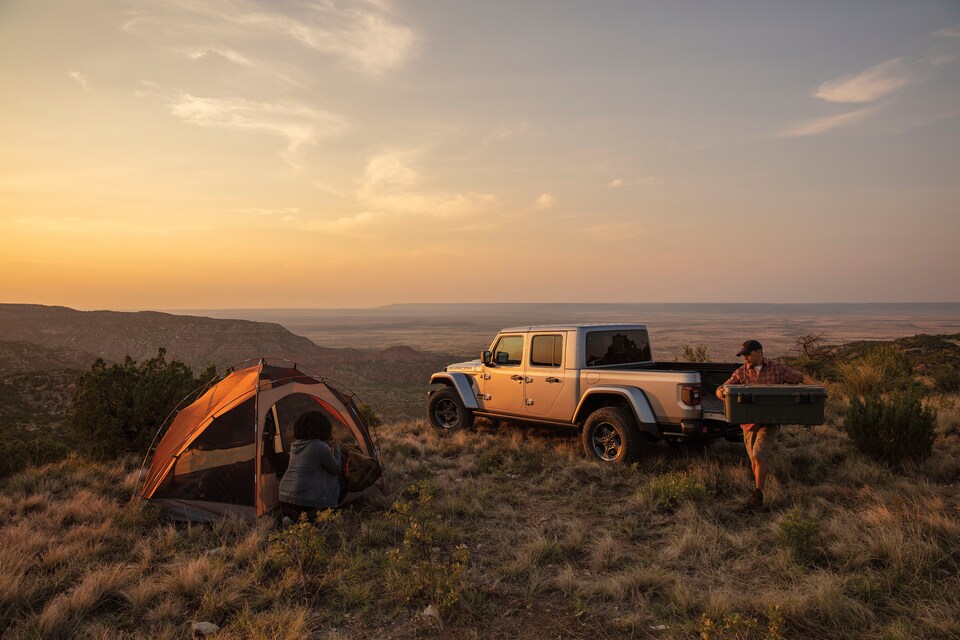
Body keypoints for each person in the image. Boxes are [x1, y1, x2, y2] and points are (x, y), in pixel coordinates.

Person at [716, 339, 819, 511]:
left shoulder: (777, 369)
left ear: (759, 352)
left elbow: (800, 377)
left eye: (748, 354)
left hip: (769, 422)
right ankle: (758, 491)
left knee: (758, 456)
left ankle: (758, 495)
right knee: (754, 461)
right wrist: (720, 392)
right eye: (743, 355)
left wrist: (819, 389)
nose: (745, 358)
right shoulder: (741, 372)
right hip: (748, 424)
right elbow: (723, 388)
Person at [279, 411, 349, 522]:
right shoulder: (319, 446)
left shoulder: (295, 445)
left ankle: (293, 517)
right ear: (322, 428)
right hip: (305, 499)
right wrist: (336, 447)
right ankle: (319, 516)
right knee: (342, 483)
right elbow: (336, 469)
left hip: (284, 497)